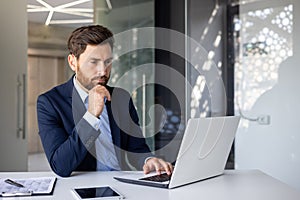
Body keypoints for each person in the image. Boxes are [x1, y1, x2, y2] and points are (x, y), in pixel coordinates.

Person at [37, 25, 173, 177]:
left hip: (119, 184)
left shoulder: (121, 98)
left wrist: (148, 160)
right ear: (73, 62)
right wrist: (91, 116)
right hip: (80, 188)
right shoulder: (50, 103)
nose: (103, 71)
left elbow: (137, 149)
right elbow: (61, 166)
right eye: (93, 62)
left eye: (108, 61)